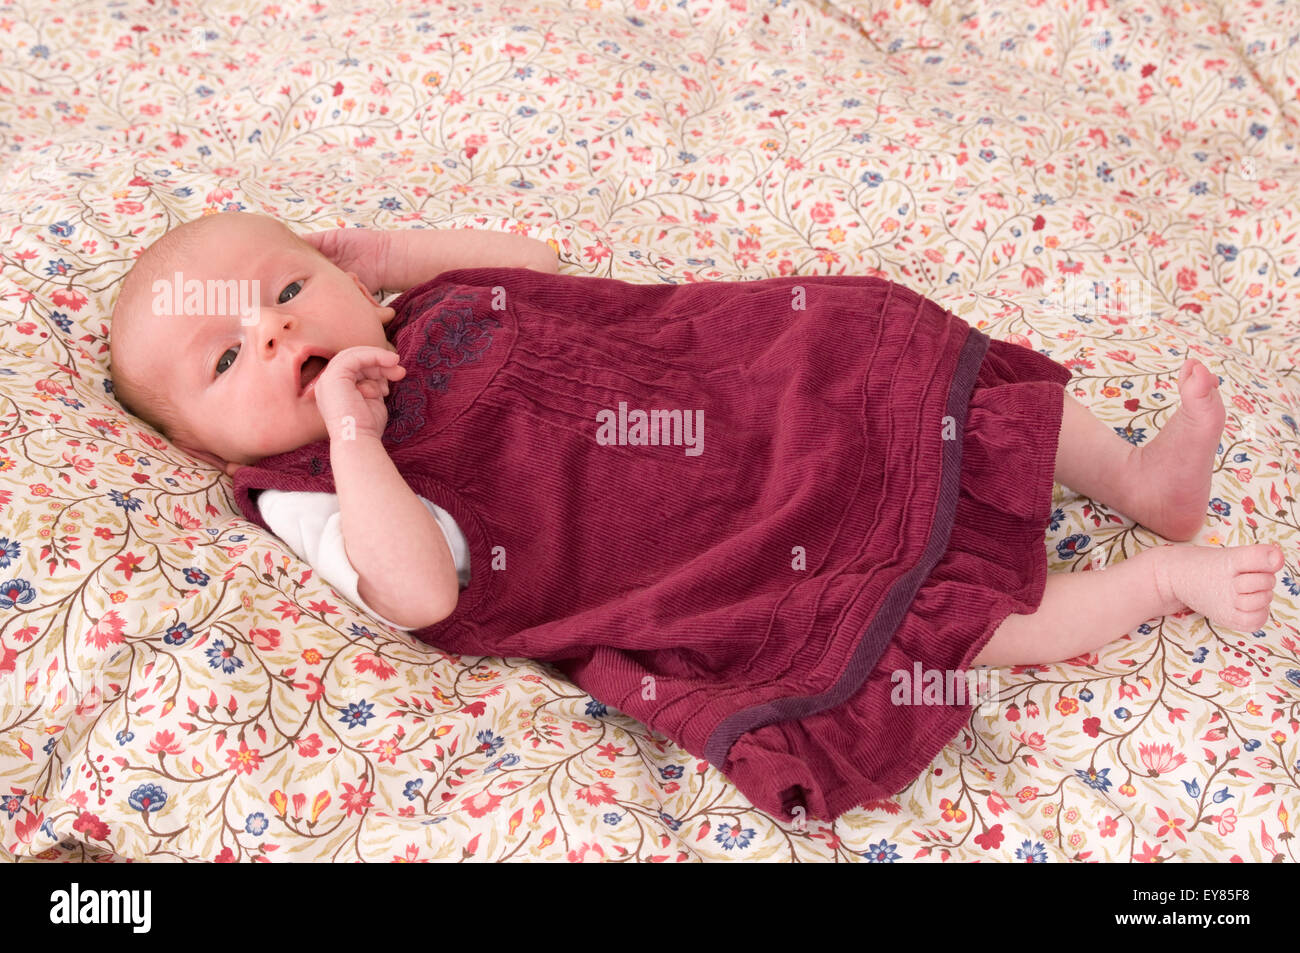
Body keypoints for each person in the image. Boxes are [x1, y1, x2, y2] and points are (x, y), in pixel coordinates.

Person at [108, 211, 1282, 821]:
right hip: (705, 549)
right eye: (226, 357)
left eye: (289, 286)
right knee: (885, 611)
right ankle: (1151, 584)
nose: (271, 328)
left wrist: (371, 260)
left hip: (730, 401)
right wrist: (359, 439)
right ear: (204, 449)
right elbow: (421, 590)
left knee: (871, 346)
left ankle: (1135, 481)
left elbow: (537, 260)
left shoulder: (428, 315)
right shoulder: (314, 490)